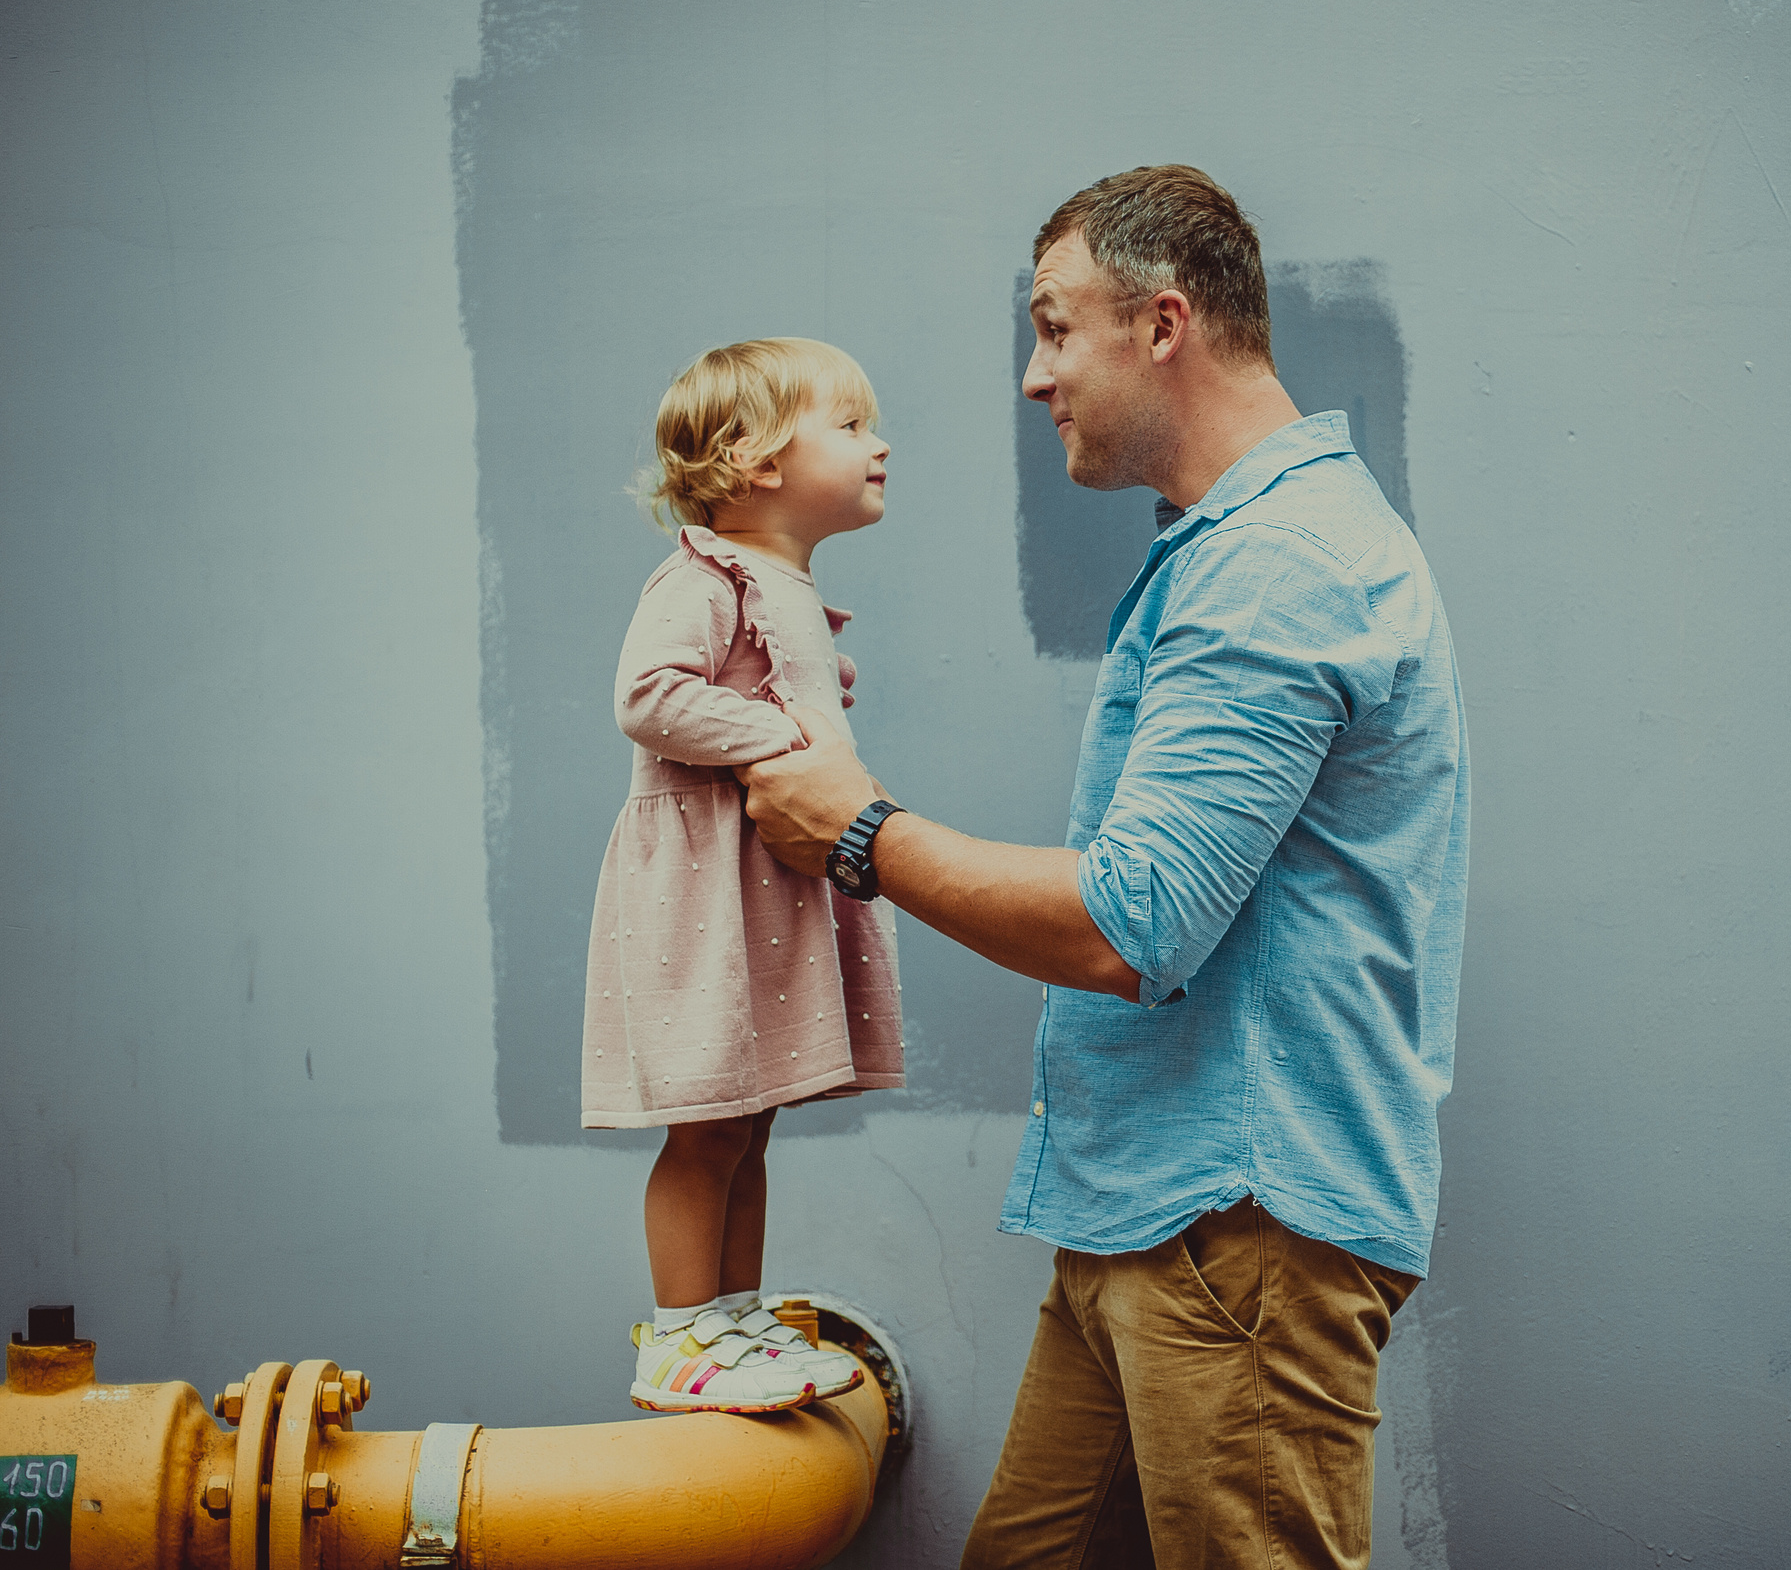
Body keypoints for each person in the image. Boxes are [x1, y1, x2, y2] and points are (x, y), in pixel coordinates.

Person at [737, 165, 1469, 1568]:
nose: (1033, 374)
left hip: (1238, 1227)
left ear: (1165, 323)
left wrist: (859, 829)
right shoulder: (1234, 553)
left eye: (1056, 327)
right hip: (1158, 1213)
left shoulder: (1277, 566)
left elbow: (1133, 924)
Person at [582, 337, 905, 1414]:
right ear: (759, 461)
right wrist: (787, 728)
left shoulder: (781, 585)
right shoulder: (703, 576)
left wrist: (817, 683)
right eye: (851, 426)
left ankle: (734, 1315)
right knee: (709, 1119)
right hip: (706, 890)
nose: (880, 444)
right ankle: (678, 1335)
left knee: (750, 1115)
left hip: (759, 882)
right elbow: (649, 697)